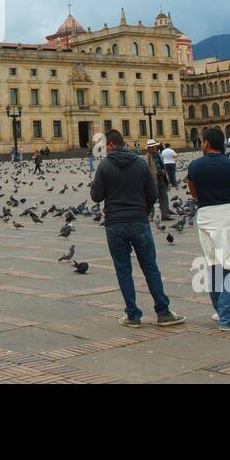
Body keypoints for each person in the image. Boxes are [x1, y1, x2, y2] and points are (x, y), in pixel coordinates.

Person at [90, 128, 185, 328]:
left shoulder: (104, 166)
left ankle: (133, 315)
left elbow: (96, 196)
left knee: (123, 271)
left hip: (115, 224)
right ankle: (163, 312)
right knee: (150, 267)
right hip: (139, 220)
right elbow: (152, 192)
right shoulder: (140, 163)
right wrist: (143, 210)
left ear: (111, 145)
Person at [187, 128, 230, 331]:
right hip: (229, 215)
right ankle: (226, 318)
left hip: (205, 216)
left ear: (206, 143)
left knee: (213, 264)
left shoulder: (195, 165)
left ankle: (220, 311)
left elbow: (193, 191)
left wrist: (204, 199)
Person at [145, 140, 170, 219]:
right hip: (153, 179)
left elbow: (162, 165)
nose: (155, 148)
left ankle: (165, 214)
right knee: (152, 197)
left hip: (162, 178)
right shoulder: (147, 157)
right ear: (149, 148)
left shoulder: (159, 155)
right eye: (153, 147)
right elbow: (147, 169)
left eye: (155, 146)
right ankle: (150, 215)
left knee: (164, 196)